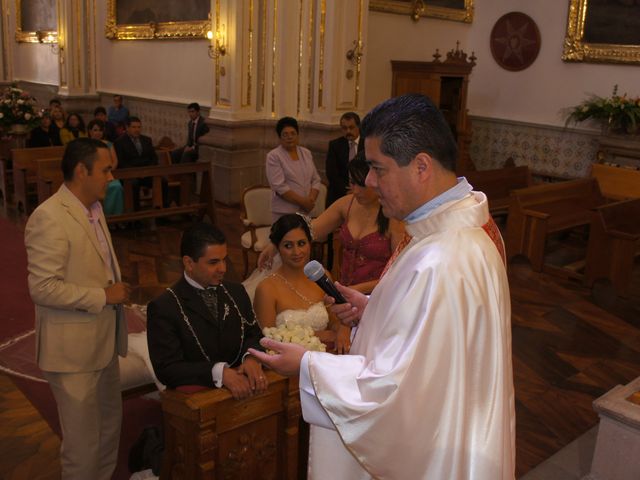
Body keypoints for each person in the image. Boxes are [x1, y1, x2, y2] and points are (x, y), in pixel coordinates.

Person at [249, 93, 515, 479]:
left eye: (378, 168)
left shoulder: (446, 257)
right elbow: (436, 343)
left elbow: (398, 393)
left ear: (421, 166)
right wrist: (375, 308)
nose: (369, 182)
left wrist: (307, 366)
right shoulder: (459, 228)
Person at [24, 138, 131, 480]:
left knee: (108, 431)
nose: (112, 177)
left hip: (103, 344)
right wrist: (104, 295)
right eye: (106, 169)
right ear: (82, 171)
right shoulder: (50, 217)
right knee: (82, 448)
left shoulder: (95, 210)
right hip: (72, 353)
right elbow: (42, 288)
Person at [146, 223, 267, 399]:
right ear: (189, 263)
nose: (223, 268)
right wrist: (220, 373)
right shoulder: (164, 307)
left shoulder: (236, 292)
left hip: (248, 393)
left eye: (224, 259)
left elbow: (254, 335)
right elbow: (167, 369)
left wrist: (251, 357)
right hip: (200, 401)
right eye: (213, 262)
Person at [257, 152, 405, 294]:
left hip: (376, 296)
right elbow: (311, 229)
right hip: (344, 292)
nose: (356, 191)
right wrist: (275, 243)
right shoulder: (347, 204)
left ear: (375, 180)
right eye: (352, 183)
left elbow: (398, 273)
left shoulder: (394, 217)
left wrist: (356, 290)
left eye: (362, 185)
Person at [253, 214, 351, 353]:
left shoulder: (321, 276)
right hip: (287, 365)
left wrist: (342, 329)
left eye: (301, 243)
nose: (297, 252)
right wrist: (320, 335)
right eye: (288, 246)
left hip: (327, 355)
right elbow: (268, 342)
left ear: (310, 243)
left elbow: (334, 321)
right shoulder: (267, 289)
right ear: (277, 248)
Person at [265, 116, 322, 223]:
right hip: (284, 213)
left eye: (293, 133)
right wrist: (304, 202)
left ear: (298, 135)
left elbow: (316, 180)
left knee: (305, 238)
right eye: (285, 134)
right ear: (279, 137)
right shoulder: (274, 156)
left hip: (306, 211)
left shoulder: (306, 153)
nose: (289, 137)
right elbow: (279, 186)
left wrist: (311, 200)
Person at [113, 116, 160, 210]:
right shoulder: (119, 142)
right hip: (129, 174)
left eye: (139, 127)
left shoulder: (147, 140)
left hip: (146, 173)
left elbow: (154, 158)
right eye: (134, 127)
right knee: (134, 184)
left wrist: (147, 171)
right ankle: (135, 214)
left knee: (162, 181)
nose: (137, 130)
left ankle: (162, 211)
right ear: (127, 128)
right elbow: (121, 163)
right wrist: (137, 173)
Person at [87, 119, 123, 216]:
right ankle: (102, 217)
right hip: (92, 175)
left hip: (108, 174)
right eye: (95, 130)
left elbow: (114, 161)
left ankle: (116, 217)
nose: (98, 133)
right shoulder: (85, 145)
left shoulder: (108, 144)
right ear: (90, 131)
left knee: (116, 186)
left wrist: (107, 172)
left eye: (100, 130)